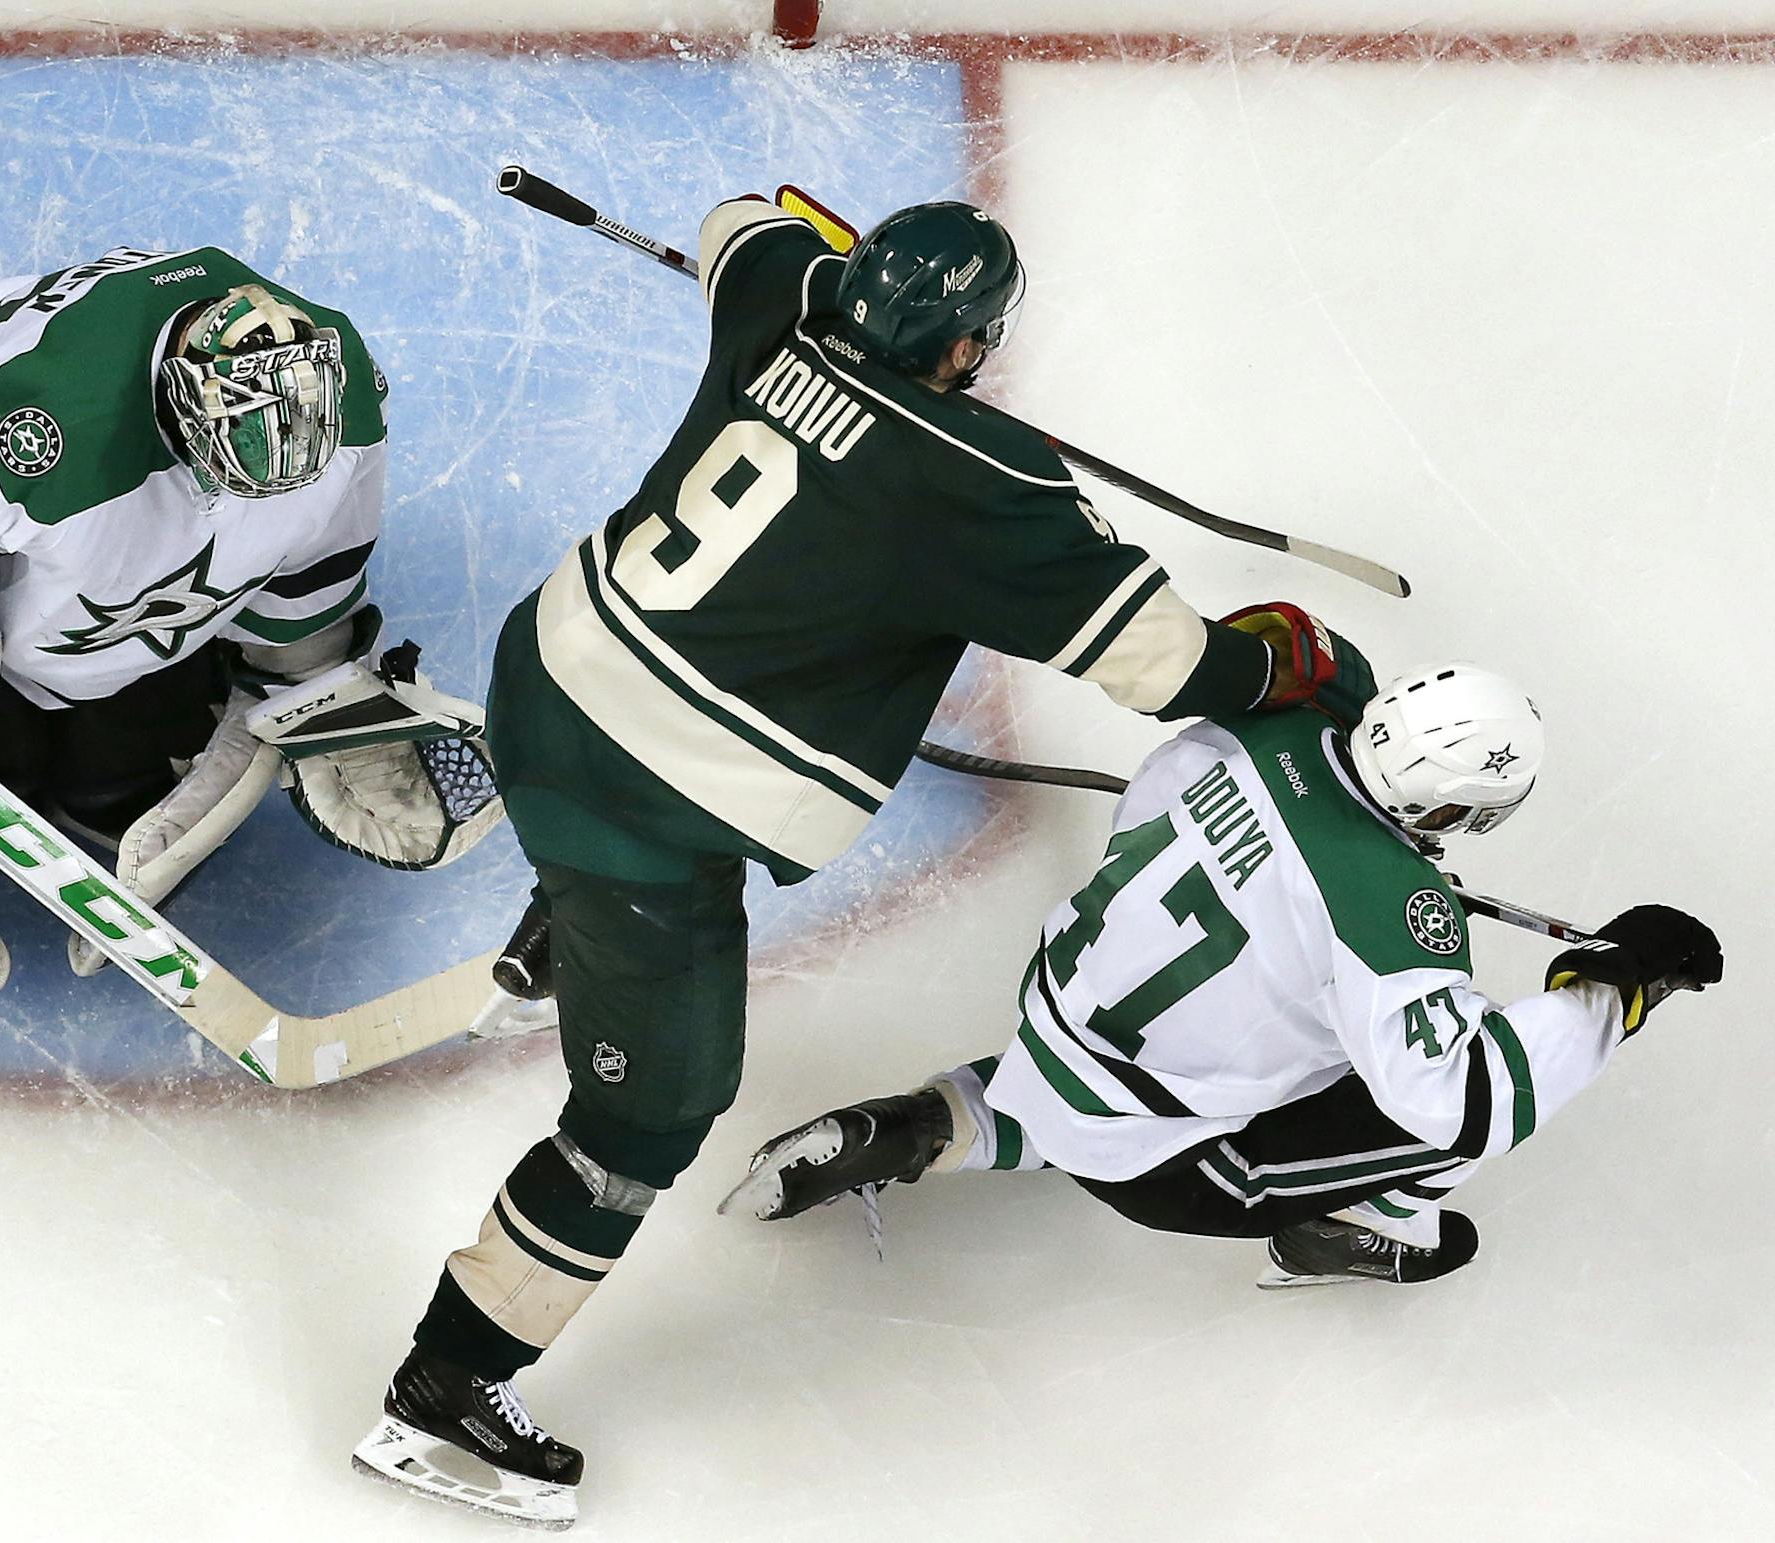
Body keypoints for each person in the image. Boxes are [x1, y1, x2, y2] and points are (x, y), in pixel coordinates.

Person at [351, 194, 1361, 1527]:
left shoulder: (788, 299)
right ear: (968, 348)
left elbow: (737, 225)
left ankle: (568, 910)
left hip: (546, 685)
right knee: (647, 1118)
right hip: (650, 813)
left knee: (604, 816)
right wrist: (1290, 657)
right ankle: (444, 1388)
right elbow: (1171, 666)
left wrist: (838, 272)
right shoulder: (992, 487)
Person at [729, 663, 1723, 1295]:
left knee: (1082, 1082)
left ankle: (901, 1128)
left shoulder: (1249, 735)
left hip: (1059, 1016)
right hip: (1179, 1168)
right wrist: (1613, 986)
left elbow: (1265, 708)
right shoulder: (1393, 918)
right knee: (1421, 1114)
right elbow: (1467, 1098)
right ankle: (1359, 1231)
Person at [0, 246, 498, 990]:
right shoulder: (32, 428)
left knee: (115, 796)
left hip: (142, 608)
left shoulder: (341, 399)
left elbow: (318, 553)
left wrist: (314, 679)